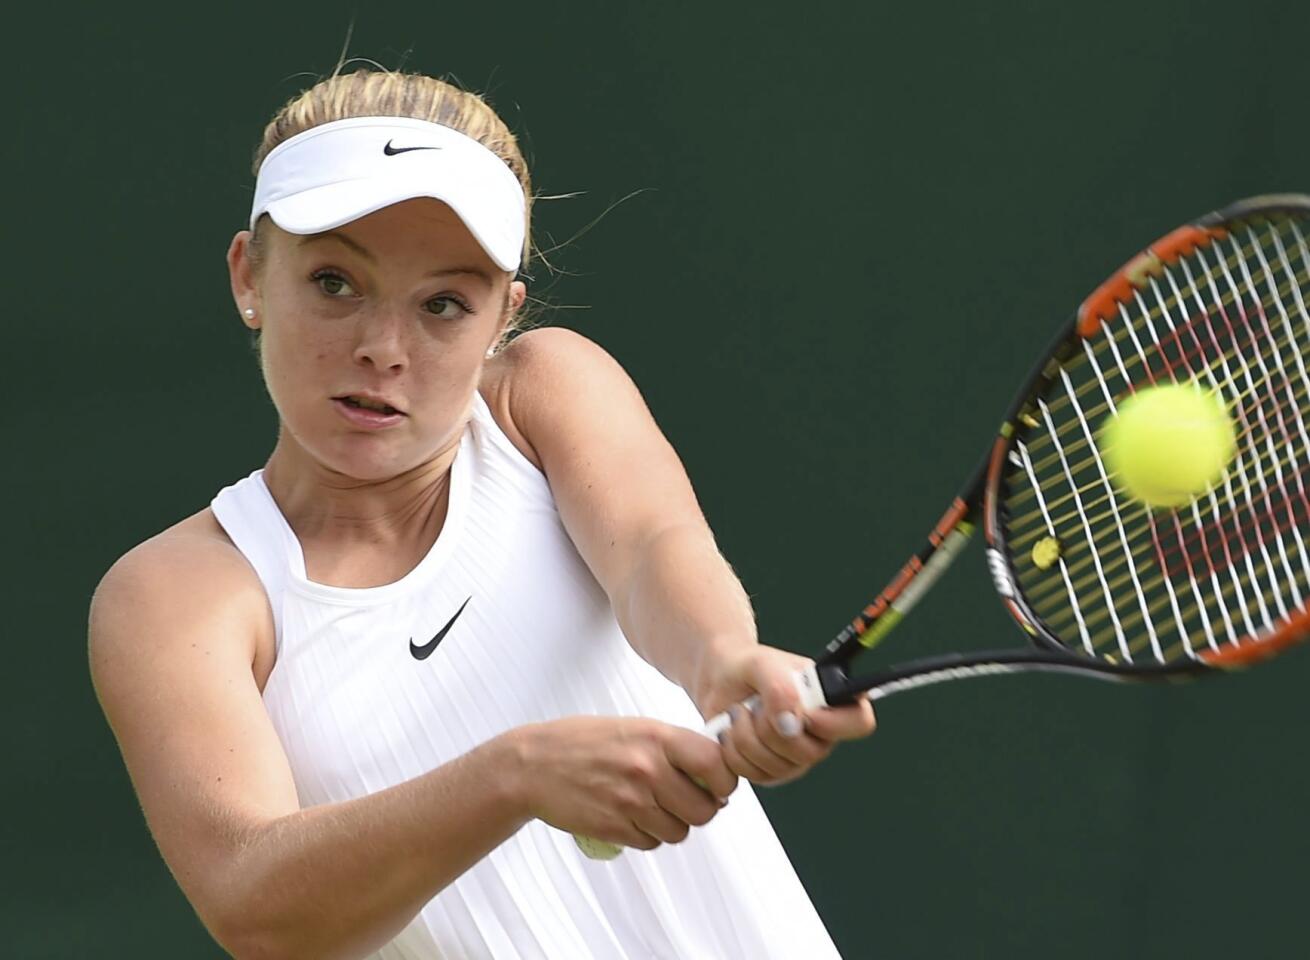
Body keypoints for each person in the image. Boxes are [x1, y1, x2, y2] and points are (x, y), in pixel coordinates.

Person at [89, 67, 875, 960]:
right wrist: (515, 777)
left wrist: (724, 661)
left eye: (443, 305)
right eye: (336, 283)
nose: (383, 349)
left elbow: (655, 549)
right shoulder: (172, 597)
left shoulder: (544, 394)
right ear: (250, 278)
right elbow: (257, 908)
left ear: (504, 316)